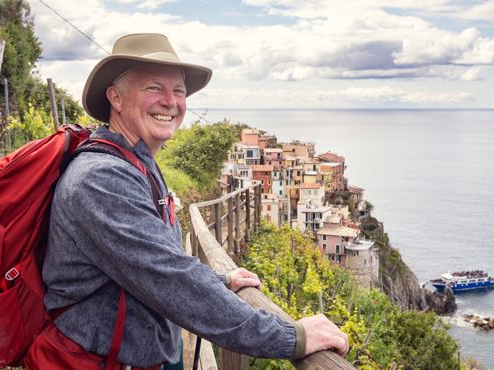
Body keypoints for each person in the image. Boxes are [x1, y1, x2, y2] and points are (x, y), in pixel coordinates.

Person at [27, 33, 348, 369]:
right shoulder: (103, 179)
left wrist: (220, 281)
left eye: (178, 91)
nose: (171, 101)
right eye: (154, 87)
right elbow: (168, 277)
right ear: (116, 98)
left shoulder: (134, 162)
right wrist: (292, 337)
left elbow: (154, 260)